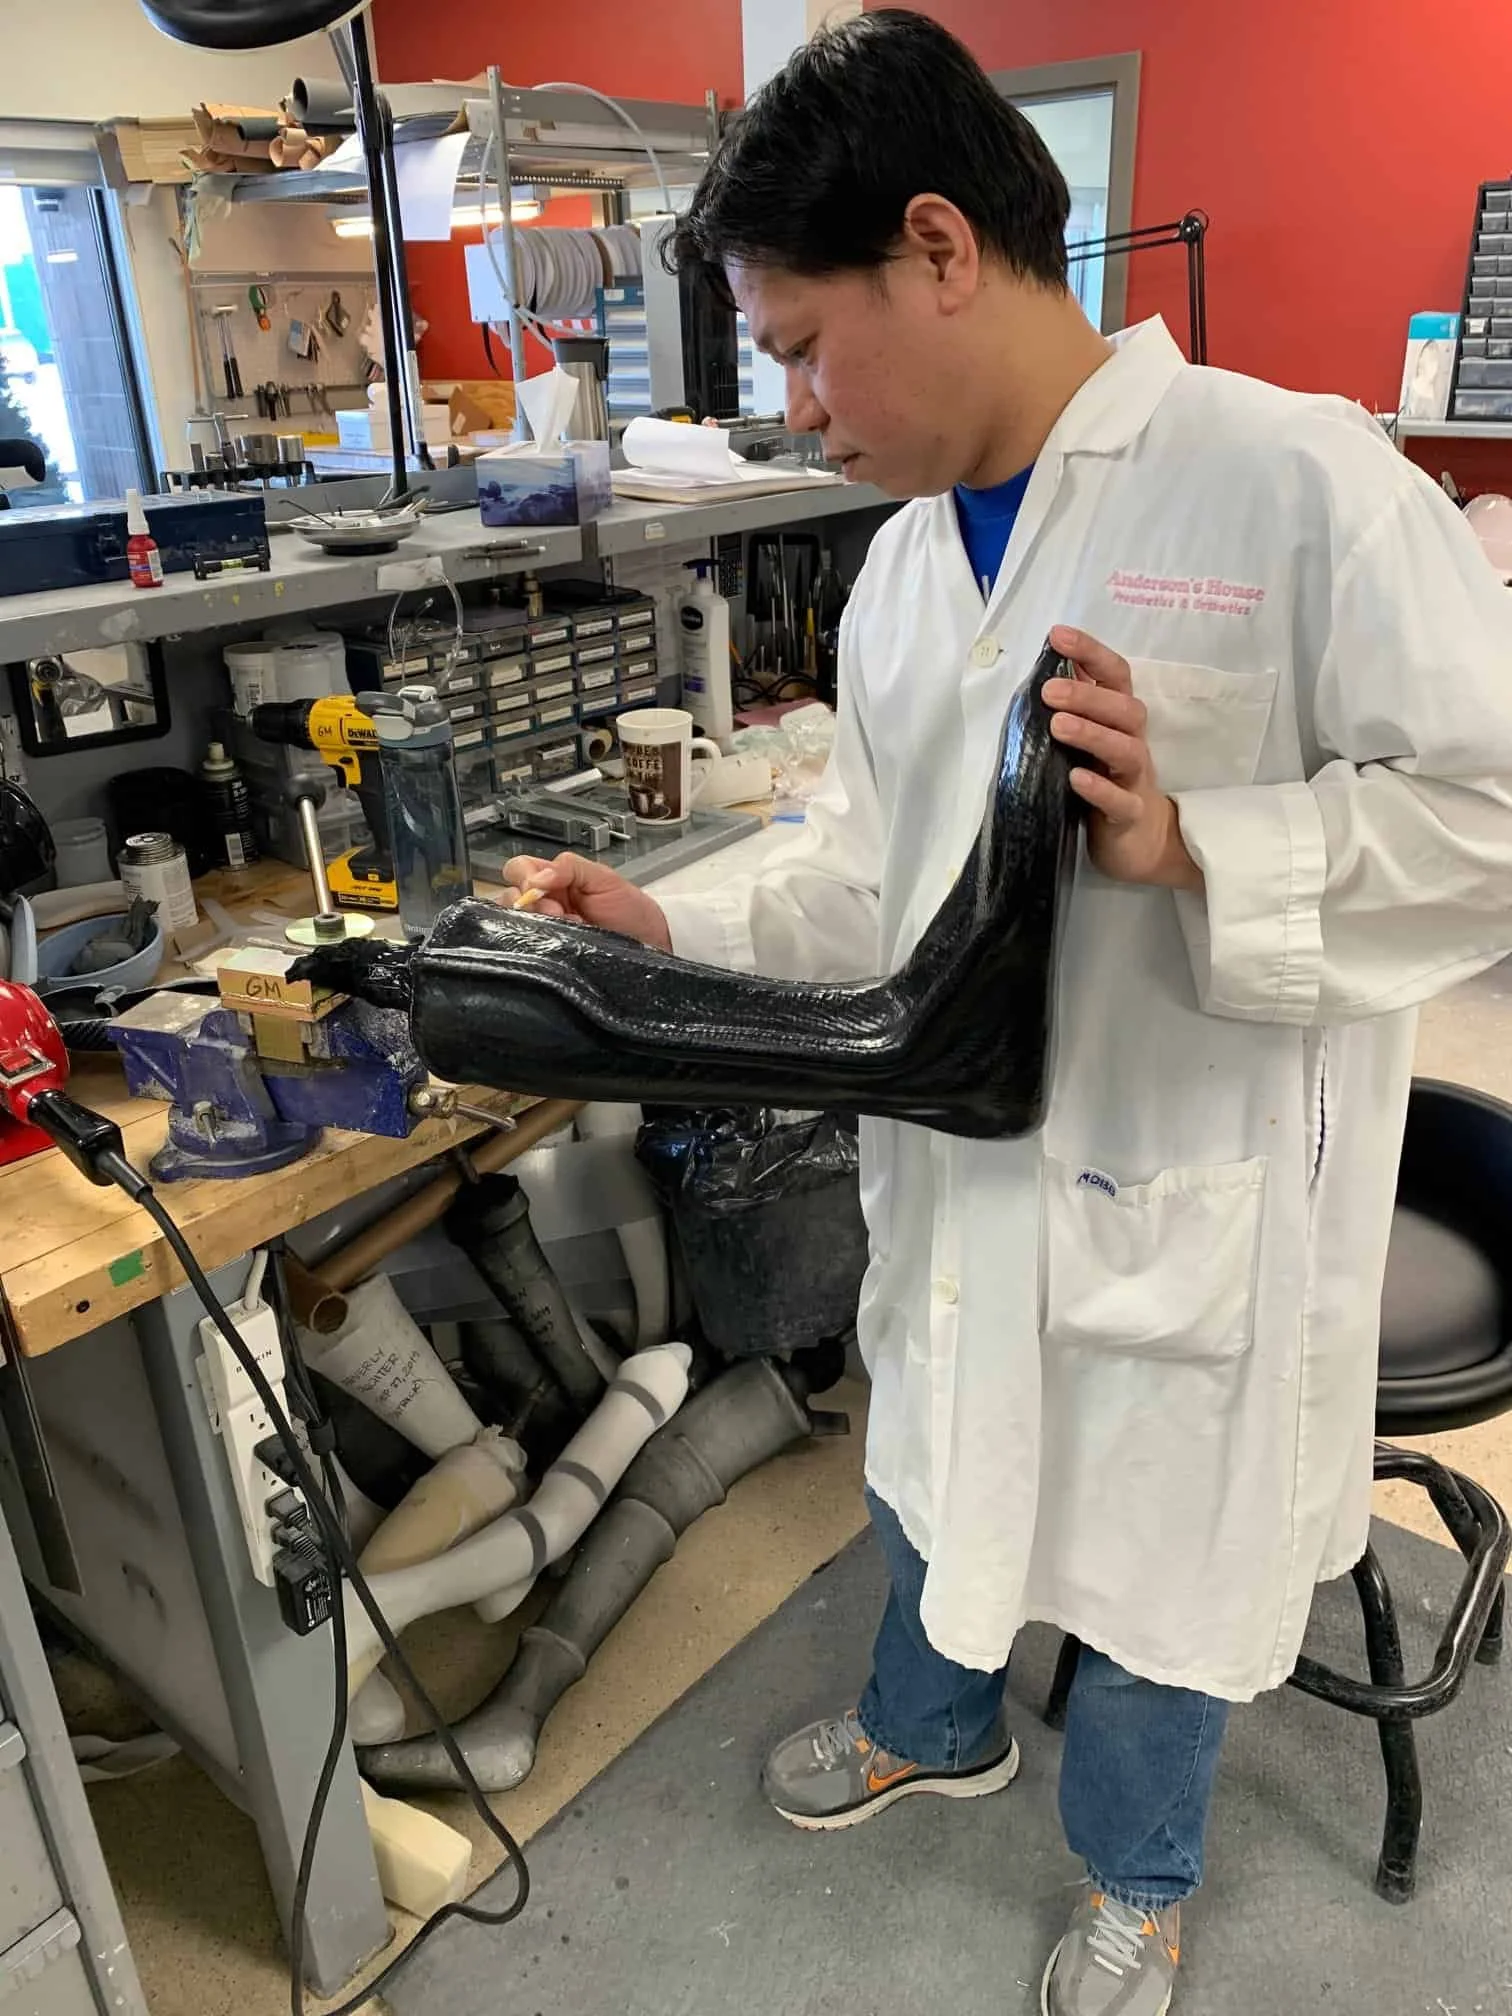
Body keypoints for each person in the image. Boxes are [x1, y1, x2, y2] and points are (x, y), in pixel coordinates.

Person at [504, 12, 1512, 2011]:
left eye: (802, 346)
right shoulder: (890, 580)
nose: (796, 406)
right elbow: (869, 885)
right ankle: (928, 1723)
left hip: (1192, 1201)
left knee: (1150, 1568)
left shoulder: (1295, 484)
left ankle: (1139, 1873)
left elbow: (1489, 819)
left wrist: (1203, 840)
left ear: (944, 249)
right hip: (964, 1185)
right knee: (941, 1469)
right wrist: (667, 924)